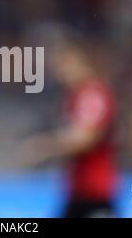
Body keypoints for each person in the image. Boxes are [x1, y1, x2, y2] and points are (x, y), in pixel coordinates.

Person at [19, 42, 118, 218]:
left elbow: (86, 138)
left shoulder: (92, 94)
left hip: (95, 194)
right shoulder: (73, 97)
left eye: (63, 64)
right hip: (77, 193)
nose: (59, 73)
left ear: (79, 61)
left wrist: (45, 146)